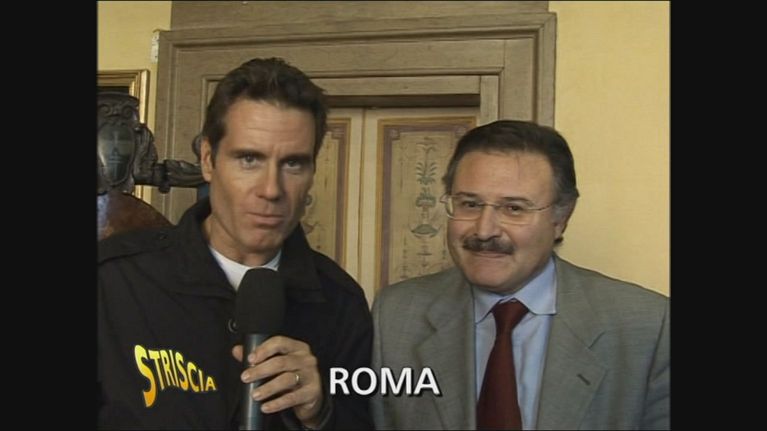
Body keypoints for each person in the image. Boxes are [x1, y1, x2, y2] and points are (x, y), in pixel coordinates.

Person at [98, 58, 373, 430]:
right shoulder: (113, 282)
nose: (271, 190)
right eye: (249, 159)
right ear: (208, 160)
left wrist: (321, 414)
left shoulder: (341, 302)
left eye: (293, 164)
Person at [371, 120, 669, 430]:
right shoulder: (396, 316)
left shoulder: (648, 326)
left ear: (561, 218)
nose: (484, 230)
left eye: (513, 209)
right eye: (470, 204)